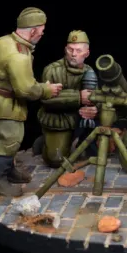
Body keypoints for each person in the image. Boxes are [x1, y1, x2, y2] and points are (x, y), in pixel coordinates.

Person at [0, 7, 62, 196]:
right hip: (5, 105)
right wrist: (47, 90)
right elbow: (26, 90)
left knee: (10, 140)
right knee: (10, 140)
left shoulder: (2, 41)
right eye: (41, 30)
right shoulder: (19, 56)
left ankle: (9, 171)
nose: (42, 34)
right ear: (33, 31)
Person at [35, 30, 98, 167]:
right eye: (70, 49)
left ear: (86, 53)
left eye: (78, 50)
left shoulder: (89, 72)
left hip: (79, 120)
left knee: (98, 148)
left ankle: (73, 140)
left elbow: (95, 97)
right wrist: (78, 97)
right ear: (65, 50)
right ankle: (44, 141)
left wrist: (94, 108)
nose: (73, 54)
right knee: (56, 160)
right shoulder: (52, 70)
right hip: (59, 121)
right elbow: (46, 99)